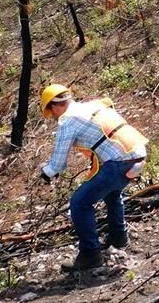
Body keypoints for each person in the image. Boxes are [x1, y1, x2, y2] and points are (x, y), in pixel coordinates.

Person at [39, 84, 148, 272]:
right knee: (112, 193)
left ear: (55, 106)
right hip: (137, 154)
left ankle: (90, 254)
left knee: (79, 203)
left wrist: (46, 172)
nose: (55, 116)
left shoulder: (68, 121)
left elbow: (58, 164)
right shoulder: (93, 106)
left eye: (52, 112)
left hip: (119, 163)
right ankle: (119, 237)